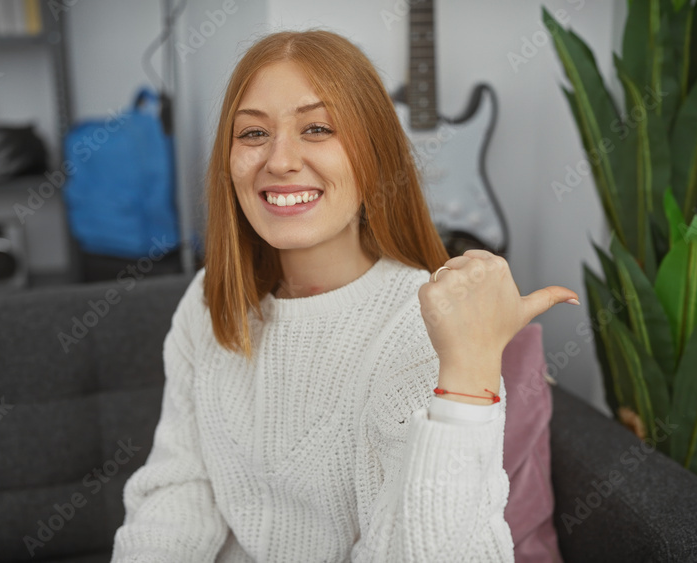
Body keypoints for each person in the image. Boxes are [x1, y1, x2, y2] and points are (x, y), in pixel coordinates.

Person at [110, 29, 579, 562]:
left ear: (374, 154)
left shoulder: (426, 326)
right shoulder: (208, 300)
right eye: (253, 134)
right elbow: (180, 487)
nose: (280, 161)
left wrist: (468, 375)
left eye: (317, 128)